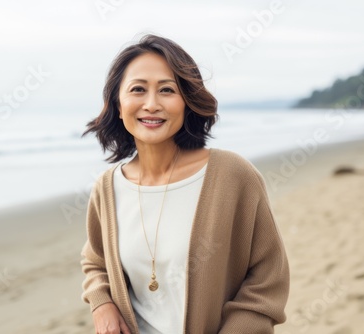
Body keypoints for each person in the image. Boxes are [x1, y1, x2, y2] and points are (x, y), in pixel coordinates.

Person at [80, 34, 289, 334]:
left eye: (167, 90)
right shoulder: (107, 188)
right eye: (138, 89)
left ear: (187, 101)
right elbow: (95, 259)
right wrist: (101, 303)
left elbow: (268, 277)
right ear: (118, 101)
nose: (151, 104)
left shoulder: (232, 175)